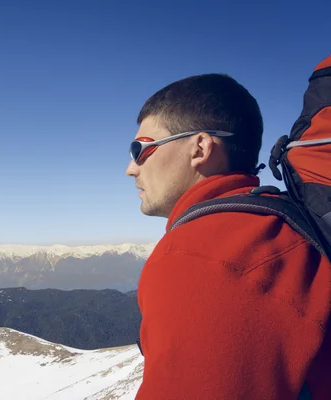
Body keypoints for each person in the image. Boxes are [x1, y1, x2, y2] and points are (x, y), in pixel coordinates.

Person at [125, 74, 331, 399]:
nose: (131, 168)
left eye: (139, 149)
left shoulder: (197, 258)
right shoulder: (277, 219)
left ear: (201, 148)